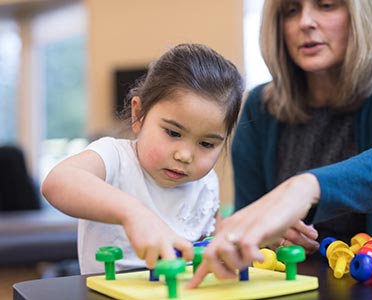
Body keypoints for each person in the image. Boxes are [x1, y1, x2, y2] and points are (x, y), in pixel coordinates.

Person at [187, 0, 372, 287]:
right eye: (291, 11)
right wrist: (272, 239)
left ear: (363, 15)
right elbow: (254, 224)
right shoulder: (259, 107)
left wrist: (305, 188)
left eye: (326, 5)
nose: (305, 22)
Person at [41, 43, 244, 274]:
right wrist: (133, 213)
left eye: (207, 144)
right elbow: (57, 182)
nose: (185, 155)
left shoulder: (206, 184)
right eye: (173, 133)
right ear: (139, 115)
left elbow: (212, 246)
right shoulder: (115, 158)